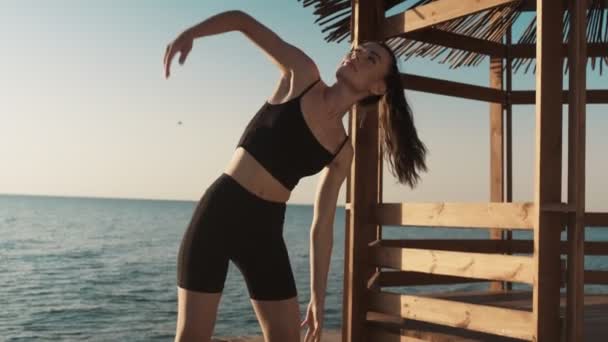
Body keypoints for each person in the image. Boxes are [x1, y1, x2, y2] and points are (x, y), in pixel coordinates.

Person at [163, 10, 427, 342]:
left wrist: (318, 297)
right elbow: (242, 21)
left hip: (266, 230)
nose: (357, 54)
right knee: (191, 336)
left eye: (370, 57)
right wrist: (192, 32)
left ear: (377, 86)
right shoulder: (302, 74)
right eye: (358, 49)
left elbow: (322, 224)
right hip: (221, 211)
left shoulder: (342, 151)